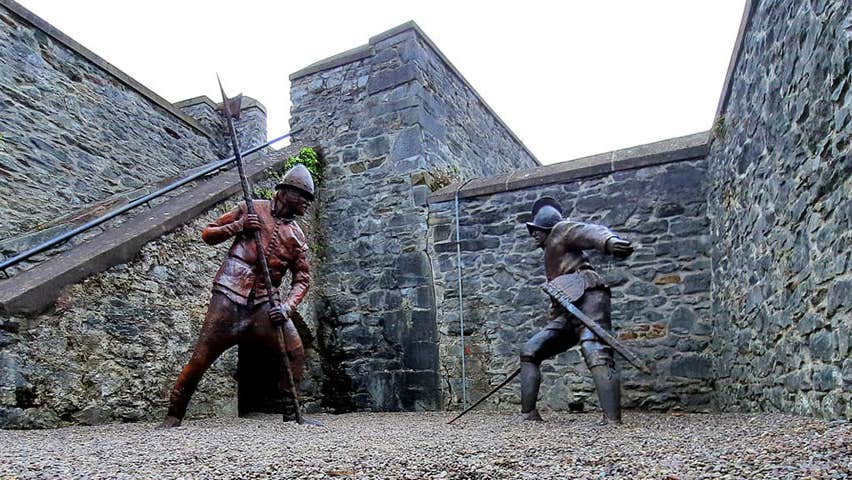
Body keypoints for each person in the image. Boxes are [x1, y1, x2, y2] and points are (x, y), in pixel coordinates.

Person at [159, 164, 315, 428]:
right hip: (229, 295)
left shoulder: (297, 236)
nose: (307, 204)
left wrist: (287, 307)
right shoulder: (251, 208)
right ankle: (174, 415)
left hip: (266, 303)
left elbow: (302, 279)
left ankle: (292, 414)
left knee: (295, 351)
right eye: (303, 197)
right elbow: (208, 234)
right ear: (287, 192)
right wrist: (239, 226)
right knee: (202, 356)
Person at [519, 197, 634, 425]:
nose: (534, 234)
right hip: (567, 311)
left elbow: (589, 231)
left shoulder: (561, 231)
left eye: (538, 230)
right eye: (532, 230)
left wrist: (609, 241)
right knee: (530, 351)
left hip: (590, 297)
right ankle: (528, 415)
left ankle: (612, 419)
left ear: (548, 228)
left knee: (595, 350)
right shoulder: (551, 254)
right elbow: (561, 291)